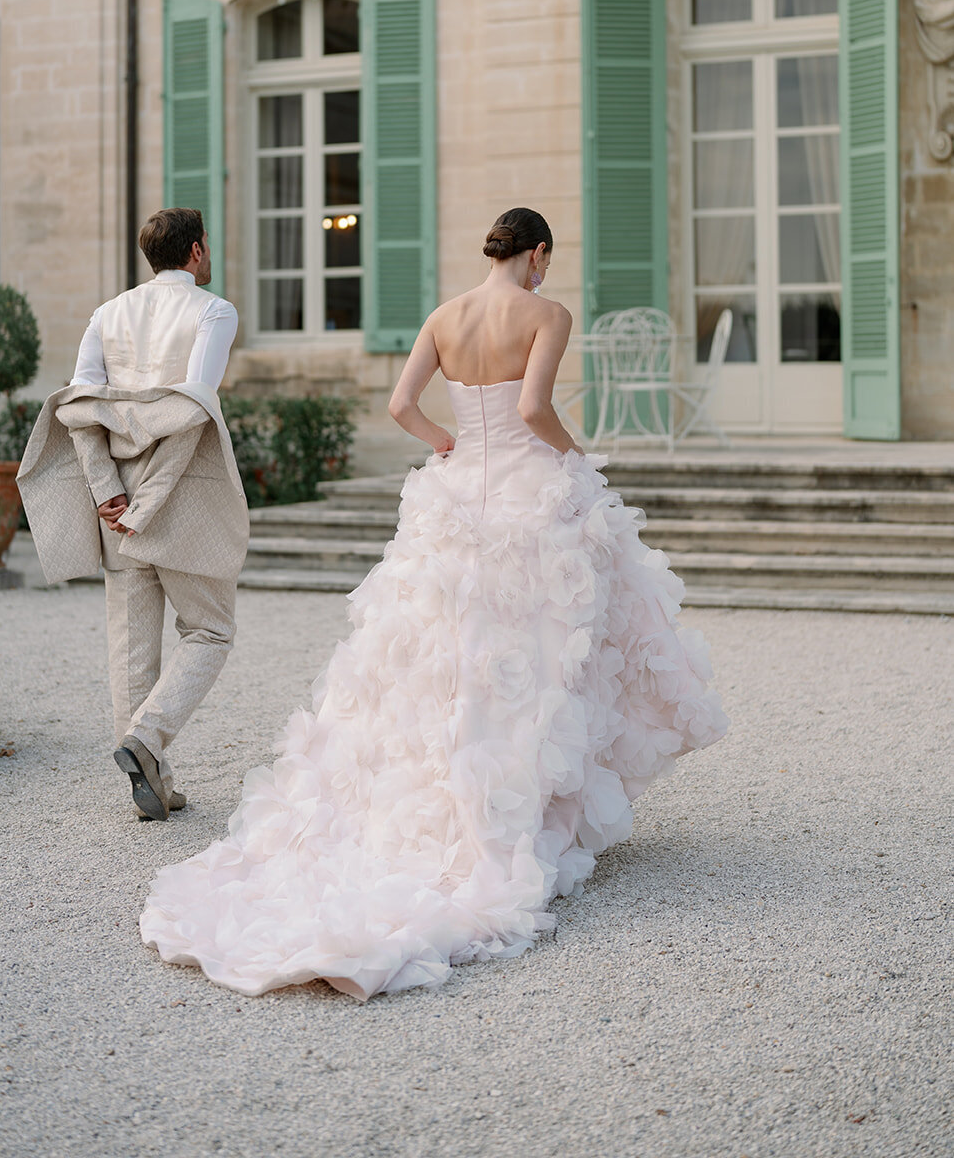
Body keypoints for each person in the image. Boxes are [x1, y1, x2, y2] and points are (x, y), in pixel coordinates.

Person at [140, 207, 727, 998]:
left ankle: (440, 800)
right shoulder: (546, 313)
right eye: (547, 258)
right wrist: (575, 453)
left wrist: (449, 445)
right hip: (525, 494)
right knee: (543, 653)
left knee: (436, 656)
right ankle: (527, 805)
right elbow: (533, 411)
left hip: (457, 496)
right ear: (538, 254)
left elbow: (400, 408)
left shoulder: (445, 316)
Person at [18, 208, 249, 821]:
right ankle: (148, 743)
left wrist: (105, 492)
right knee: (210, 630)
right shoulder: (213, 311)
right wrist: (146, 502)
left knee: (131, 647)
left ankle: (152, 780)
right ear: (196, 251)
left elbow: (79, 410)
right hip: (181, 497)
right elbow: (192, 411)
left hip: (116, 501)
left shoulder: (106, 314)